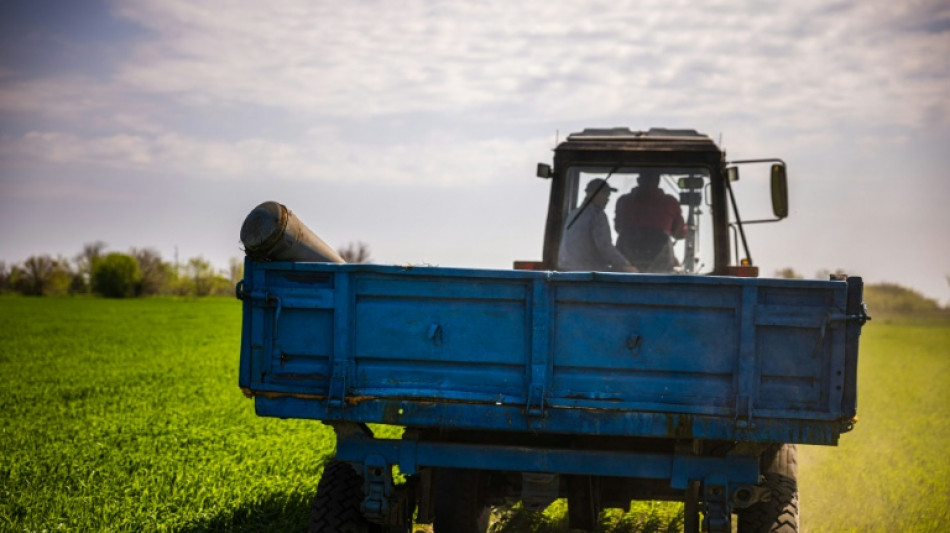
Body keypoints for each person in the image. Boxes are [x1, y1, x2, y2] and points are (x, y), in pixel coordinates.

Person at [614, 169, 686, 272]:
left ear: (638, 180)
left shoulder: (623, 201)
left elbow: (617, 228)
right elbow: (680, 233)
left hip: (627, 264)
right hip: (661, 267)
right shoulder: (670, 202)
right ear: (657, 181)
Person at [558, 178, 637, 272]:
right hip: (589, 272)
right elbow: (604, 246)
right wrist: (625, 265)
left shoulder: (572, 214)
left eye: (608, 195)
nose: (607, 199)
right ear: (591, 194)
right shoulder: (597, 215)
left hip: (567, 270)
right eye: (604, 194)